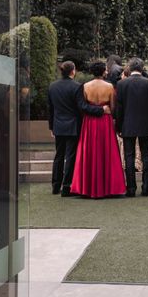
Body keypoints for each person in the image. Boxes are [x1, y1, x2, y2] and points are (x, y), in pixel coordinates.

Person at [47, 61, 109, 196]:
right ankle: (66, 187)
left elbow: (50, 109)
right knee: (70, 156)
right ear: (73, 71)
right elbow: (83, 107)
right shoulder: (76, 86)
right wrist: (101, 110)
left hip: (58, 125)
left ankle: (55, 186)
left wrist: (51, 126)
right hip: (73, 126)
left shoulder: (52, 86)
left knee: (58, 155)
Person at [69, 61, 126, 198]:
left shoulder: (85, 86)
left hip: (89, 122)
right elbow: (112, 108)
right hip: (105, 123)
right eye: (106, 70)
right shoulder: (110, 86)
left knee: (89, 151)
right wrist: (105, 111)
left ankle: (87, 187)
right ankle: (108, 187)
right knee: (107, 152)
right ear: (103, 71)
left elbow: (82, 107)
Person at [116, 57, 148, 197]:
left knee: (129, 156)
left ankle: (131, 188)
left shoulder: (121, 84)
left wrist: (118, 126)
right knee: (146, 156)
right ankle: (146, 188)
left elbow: (119, 108)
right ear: (142, 68)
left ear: (129, 68)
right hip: (146, 125)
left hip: (127, 124)